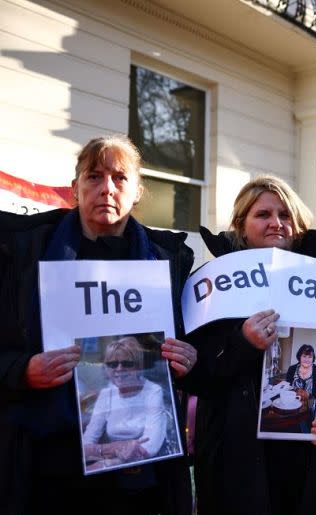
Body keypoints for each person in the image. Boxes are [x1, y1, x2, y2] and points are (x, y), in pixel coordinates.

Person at [0, 135, 198, 515]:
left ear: (138, 191)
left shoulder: (170, 262)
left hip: (138, 477)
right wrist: (22, 370)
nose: (106, 188)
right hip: (44, 468)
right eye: (94, 176)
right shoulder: (22, 251)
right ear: (75, 188)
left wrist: (188, 357)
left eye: (120, 178)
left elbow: (190, 356)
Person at [190, 175, 316, 515]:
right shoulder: (213, 281)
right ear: (241, 225)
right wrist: (242, 343)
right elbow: (195, 375)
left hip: (315, 465)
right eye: (263, 214)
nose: (276, 223)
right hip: (238, 467)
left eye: (285, 215)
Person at [82, 336, 168, 471]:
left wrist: (109, 463)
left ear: (139, 366)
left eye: (127, 364)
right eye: (112, 364)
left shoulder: (153, 391)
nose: (119, 369)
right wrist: (111, 451)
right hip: (114, 466)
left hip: (147, 467)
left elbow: (151, 445)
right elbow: (87, 441)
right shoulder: (107, 394)